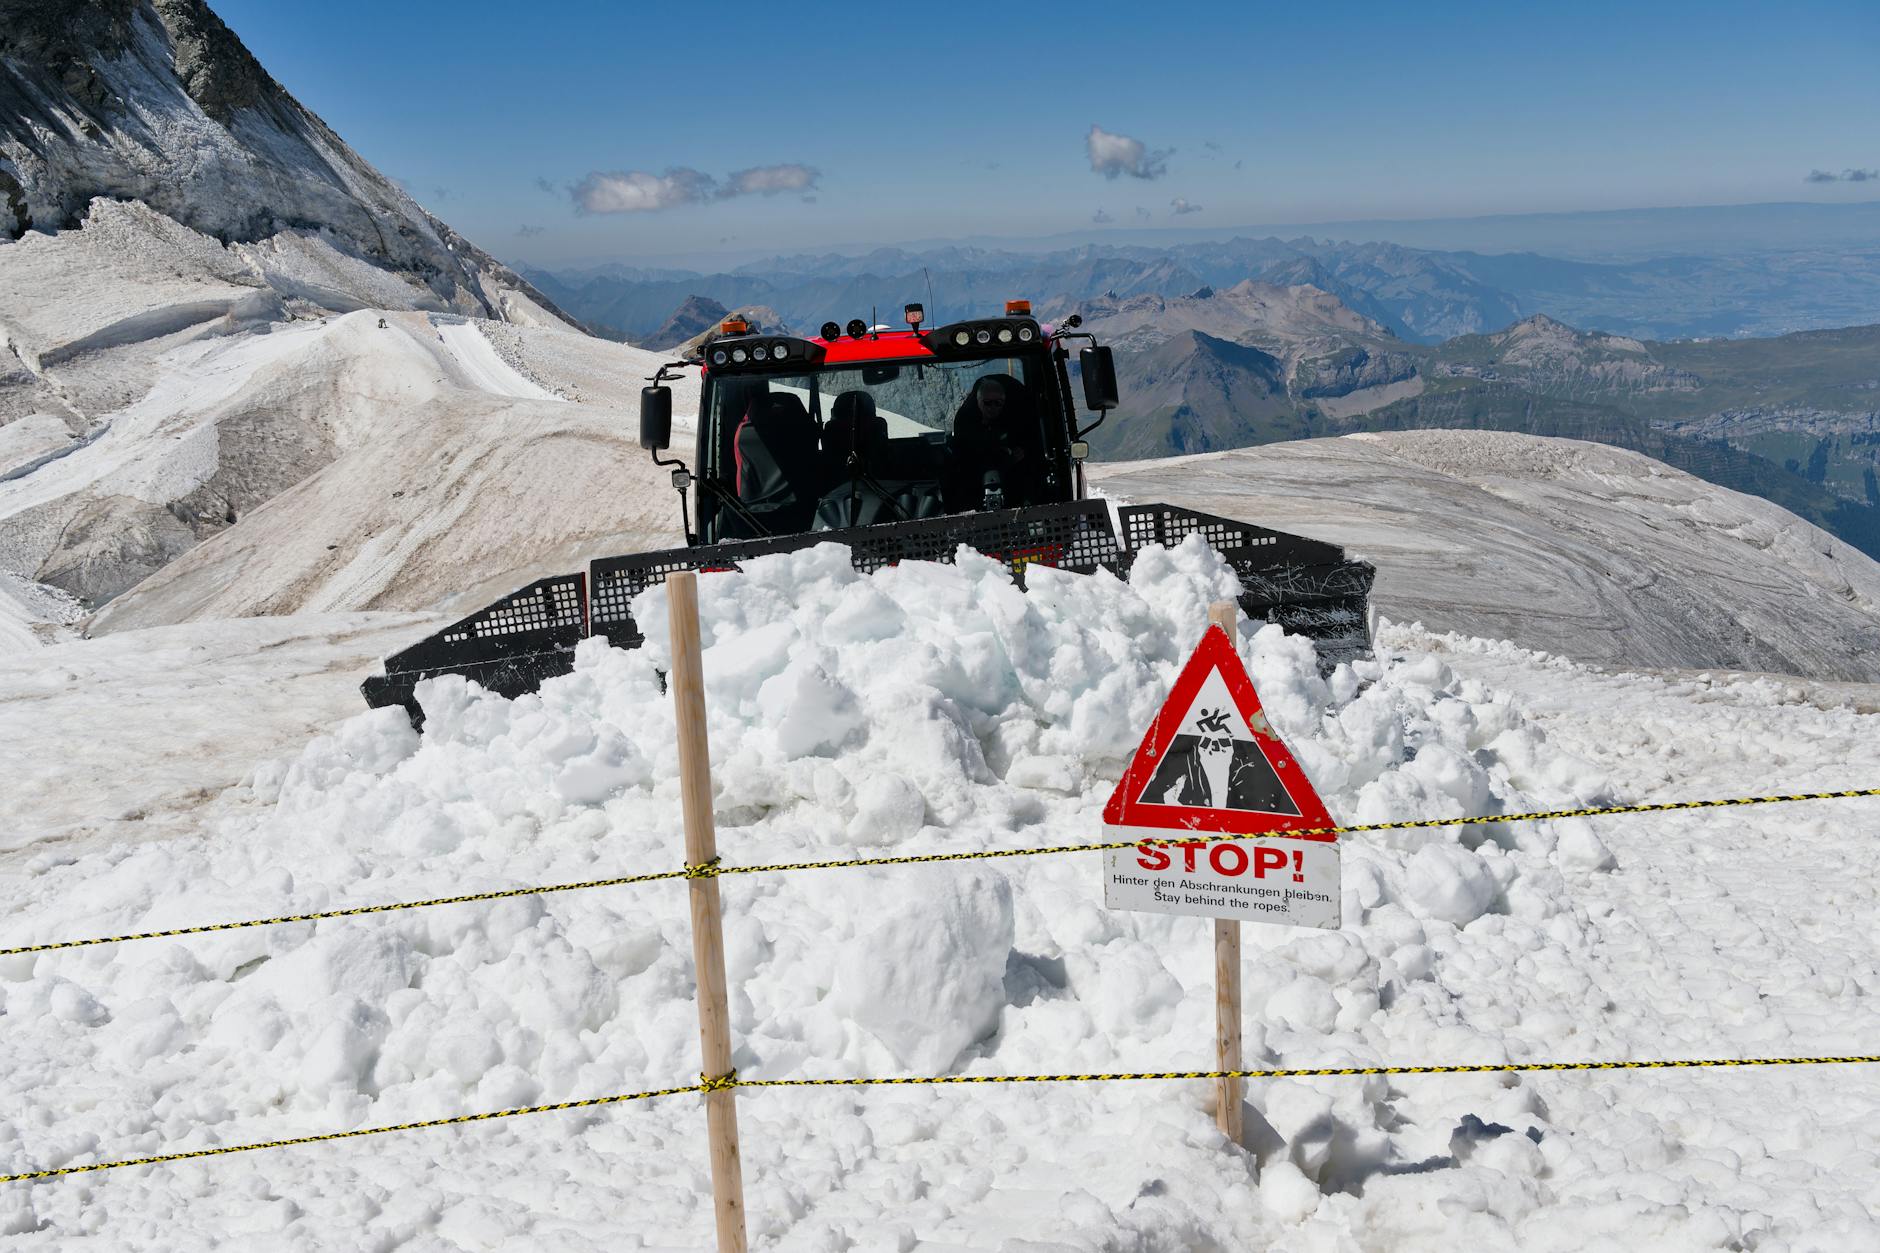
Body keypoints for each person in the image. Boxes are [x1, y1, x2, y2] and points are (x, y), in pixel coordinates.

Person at [948, 374, 1041, 510]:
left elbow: (1029, 444)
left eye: (998, 403)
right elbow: (964, 456)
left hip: (1013, 476)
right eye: (987, 403)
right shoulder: (965, 421)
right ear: (978, 401)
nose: (993, 408)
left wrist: (1015, 454)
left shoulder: (1017, 418)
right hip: (974, 479)